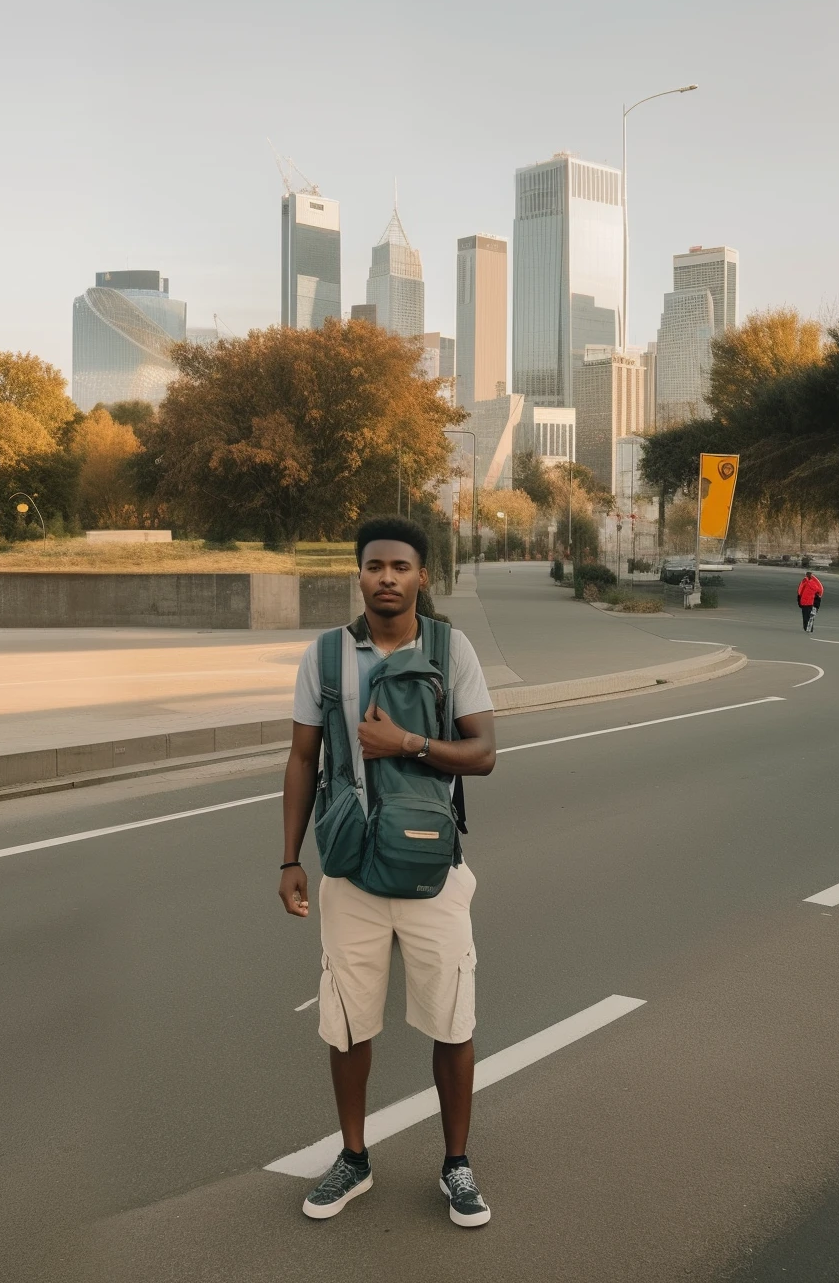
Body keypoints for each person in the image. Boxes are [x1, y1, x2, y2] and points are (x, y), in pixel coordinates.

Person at [279, 515, 497, 1228]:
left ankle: (456, 1165)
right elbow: (301, 760)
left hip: (434, 868)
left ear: (421, 576)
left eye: (401, 566)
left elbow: (485, 752)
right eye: (375, 566)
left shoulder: (450, 647)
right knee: (347, 1022)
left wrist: (402, 742)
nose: (387, 578)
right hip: (350, 871)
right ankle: (354, 1158)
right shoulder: (326, 655)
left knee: (452, 1021)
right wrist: (290, 860)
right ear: (360, 574)